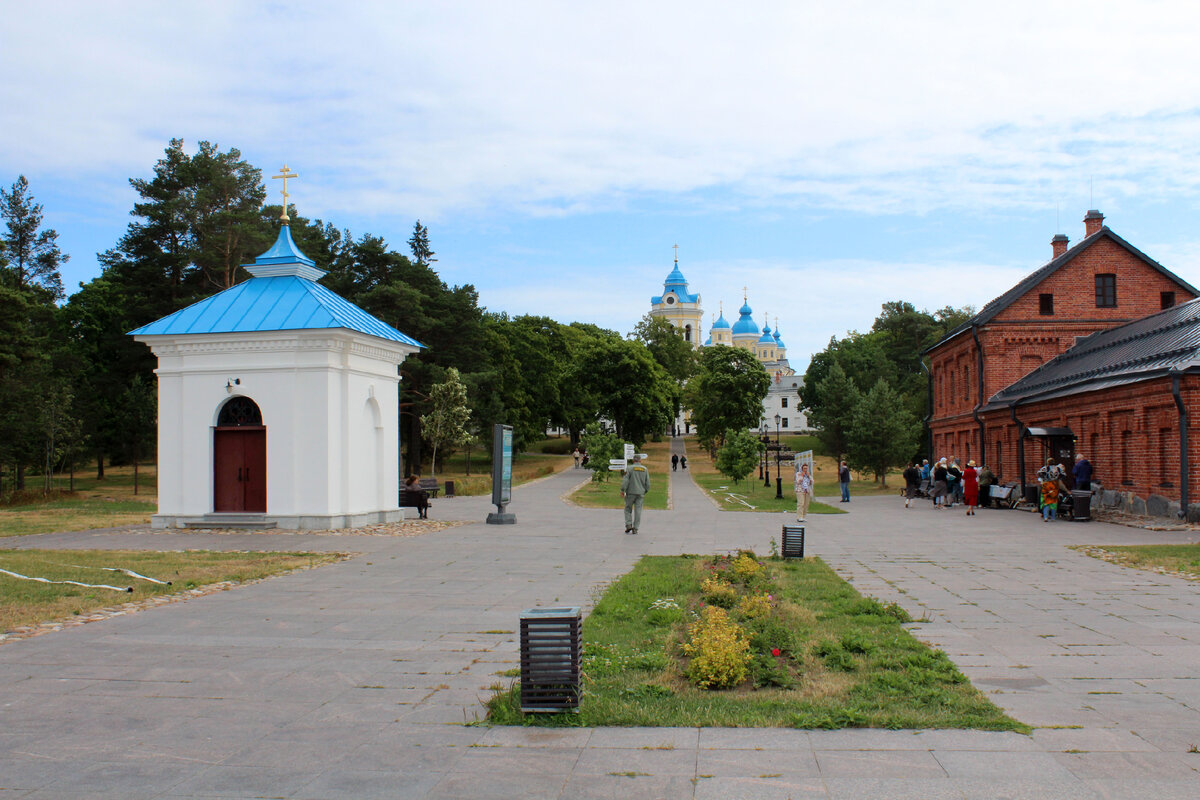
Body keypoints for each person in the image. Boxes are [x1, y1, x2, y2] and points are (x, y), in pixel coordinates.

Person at [620, 454, 651, 534]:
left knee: (627, 509)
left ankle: (628, 525)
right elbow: (647, 483)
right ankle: (636, 528)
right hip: (640, 493)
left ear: (633, 460)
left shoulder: (629, 468)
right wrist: (645, 491)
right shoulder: (645, 469)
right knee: (638, 511)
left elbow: (625, 480)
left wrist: (623, 490)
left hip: (630, 492)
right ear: (640, 460)